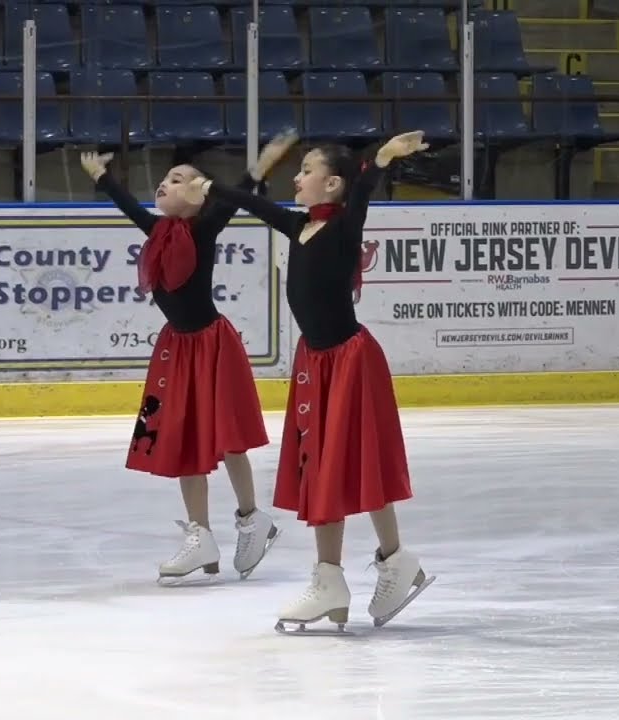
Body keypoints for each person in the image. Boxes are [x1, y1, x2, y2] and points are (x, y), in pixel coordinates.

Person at [185, 131, 434, 631]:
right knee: (328, 467)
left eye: (306, 171)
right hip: (316, 363)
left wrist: (384, 157)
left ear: (333, 184)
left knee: (346, 464)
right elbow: (253, 205)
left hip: (349, 363)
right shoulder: (299, 225)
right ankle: (360, 570)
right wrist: (209, 188)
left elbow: (364, 190)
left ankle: (357, 571)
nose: (296, 178)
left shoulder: (343, 225)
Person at [79, 151, 280, 583]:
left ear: (197, 196)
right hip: (177, 349)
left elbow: (231, 200)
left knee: (230, 440)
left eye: (177, 180)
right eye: (166, 178)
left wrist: (257, 169)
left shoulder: (205, 228)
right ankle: (200, 534)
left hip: (213, 346)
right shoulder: (158, 231)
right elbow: (128, 205)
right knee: (185, 441)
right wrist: (101, 175)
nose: (164, 183)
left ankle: (252, 518)